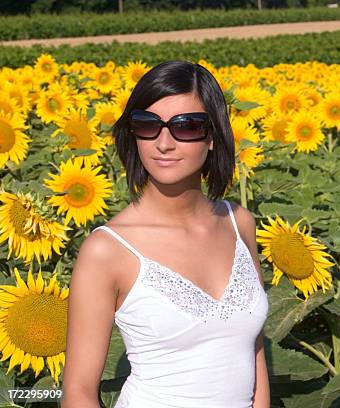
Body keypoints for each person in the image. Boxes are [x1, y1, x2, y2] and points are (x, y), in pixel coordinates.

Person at [61, 60, 270, 408]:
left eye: (186, 126)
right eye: (147, 125)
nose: (164, 143)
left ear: (214, 137)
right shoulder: (108, 249)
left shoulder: (240, 223)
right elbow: (77, 392)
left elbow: (252, 350)